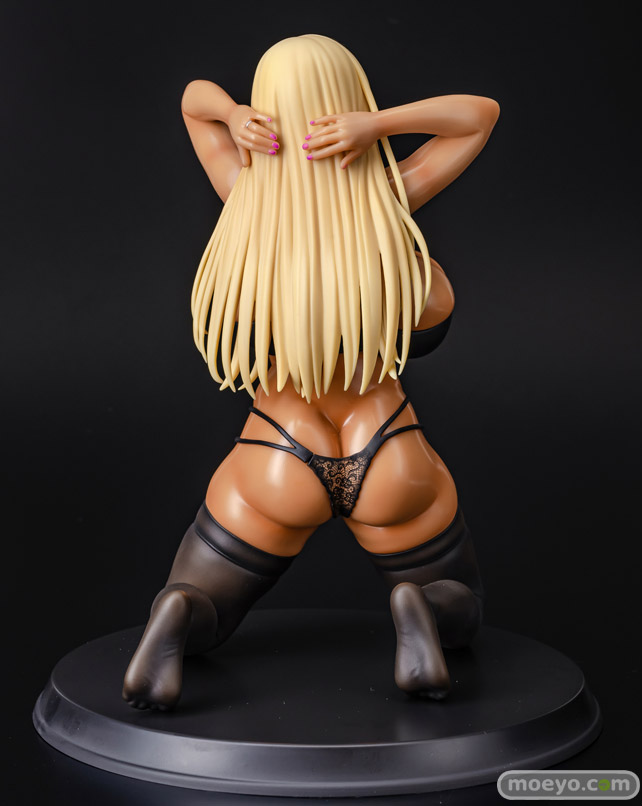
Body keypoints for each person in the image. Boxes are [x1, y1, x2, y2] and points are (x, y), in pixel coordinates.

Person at [123, 34, 500, 710]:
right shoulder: (387, 202)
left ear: (268, 108)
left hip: (277, 447)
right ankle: (419, 606)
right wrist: (378, 125)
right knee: (460, 606)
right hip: (385, 441)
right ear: (347, 101)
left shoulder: (243, 200)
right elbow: (479, 114)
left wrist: (232, 114)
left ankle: (179, 610)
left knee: (207, 598)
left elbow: (192, 102)